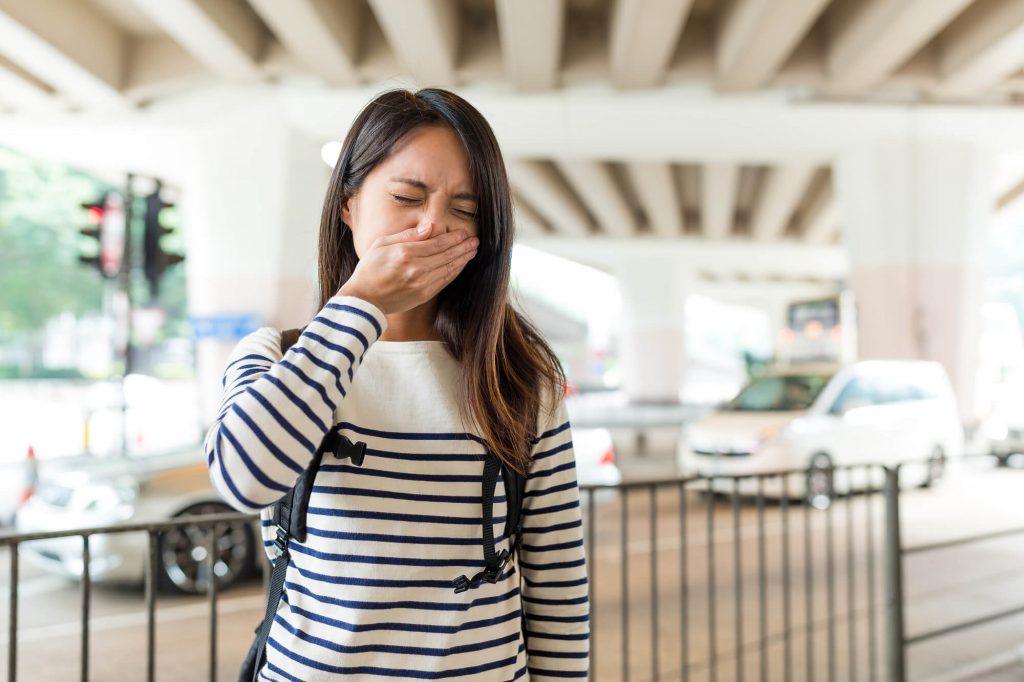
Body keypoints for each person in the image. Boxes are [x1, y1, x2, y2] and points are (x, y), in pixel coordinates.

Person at [204, 88, 590, 681]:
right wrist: (363, 303)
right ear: (349, 204)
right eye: (407, 196)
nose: (432, 224)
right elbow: (243, 477)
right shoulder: (277, 357)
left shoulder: (519, 380)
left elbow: (558, 590)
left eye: (465, 210)